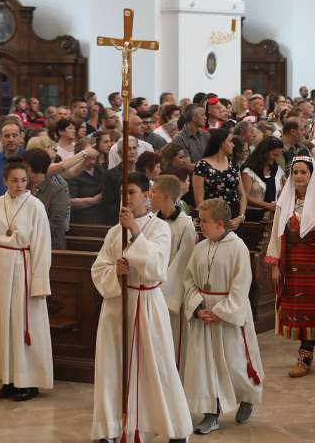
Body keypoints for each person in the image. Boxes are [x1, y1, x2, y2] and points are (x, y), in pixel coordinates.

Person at [90, 171, 192, 443]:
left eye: (132, 193)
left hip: (147, 302)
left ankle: (173, 427)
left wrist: (135, 233)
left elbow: (158, 267)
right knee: (113, 366)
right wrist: (116, 270)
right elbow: (98, 268)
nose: (127, 198)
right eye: (123, 194)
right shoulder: (114, 233)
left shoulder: (159, 228)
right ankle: (110, 429)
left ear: (146, 195)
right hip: (117, 305)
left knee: (157, 365)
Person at [0, 158, 53, 401]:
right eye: (14, 180)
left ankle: (29, 381)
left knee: (23, 325)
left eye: (23, 180)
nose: (19, 185)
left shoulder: (35, 206)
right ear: (5, 181)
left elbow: (42, 246)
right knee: (1, 323)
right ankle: (8, 378)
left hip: (23, 268)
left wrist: (39, 281)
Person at [183, 198, 264, 435]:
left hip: (228, 316)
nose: (200, 225)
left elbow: (241, 285)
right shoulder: (200, 247)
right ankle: (211, 414)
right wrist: (198, 307)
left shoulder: (237, 248)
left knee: (235, 365)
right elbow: (188, 280)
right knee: (205, 367)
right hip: (204, 315)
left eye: (204, 221)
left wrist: (220, 312)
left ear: (220, 224)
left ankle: (247, 396)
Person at [264, 152, 315, 377]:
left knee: (311, 310)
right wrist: (275, 265)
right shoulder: (285, 201)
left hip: (313, 265)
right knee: (294, 308)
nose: (299, 176)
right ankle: (304, 353)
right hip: (291, 262)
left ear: (312, 175)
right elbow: (276, 234)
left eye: (303, 172)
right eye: (295, 172)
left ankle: (305, 356)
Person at [153, 175, 197, 374]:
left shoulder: (185, 224)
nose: (150, 196)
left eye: (154, 192)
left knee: (174, 338)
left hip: (172, 292)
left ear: (166, 196)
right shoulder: (152, 220)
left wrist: (165, 290)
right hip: (152, 287)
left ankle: (176, 379)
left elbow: (183, 262)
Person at [193, 128, 247, 224]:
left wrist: (240, 217)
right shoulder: (202, 166)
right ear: (221, 143)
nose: (233, 145)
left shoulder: (233, 163)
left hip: (234, 216)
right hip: (213, 217)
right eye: (230, 141)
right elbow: (199, 200)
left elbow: (242, 194)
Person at [24, 148, 70, 251]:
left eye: (25, 166)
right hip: (25, 244)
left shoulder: (57, 189)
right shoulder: (23, 187)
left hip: (50, 246)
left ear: (34, 168)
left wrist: (29, 233)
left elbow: (56, 221)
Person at [240, 137, 284, 221]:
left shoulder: (278, 170)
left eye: (278, 155)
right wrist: (267, 205)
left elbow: (283, 192)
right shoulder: (249, 171)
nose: (276, 158)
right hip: (253, 216)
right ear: (264, 153)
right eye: (274, 155)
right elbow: (245, 196)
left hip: (273, 216)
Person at [101, 137, 137, 225]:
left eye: (134, 148)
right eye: (128, 149)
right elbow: (108, 203)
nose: (132, 152)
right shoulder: (111, 175)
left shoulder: (142, 171)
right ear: (120, 154)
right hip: (118, 220)